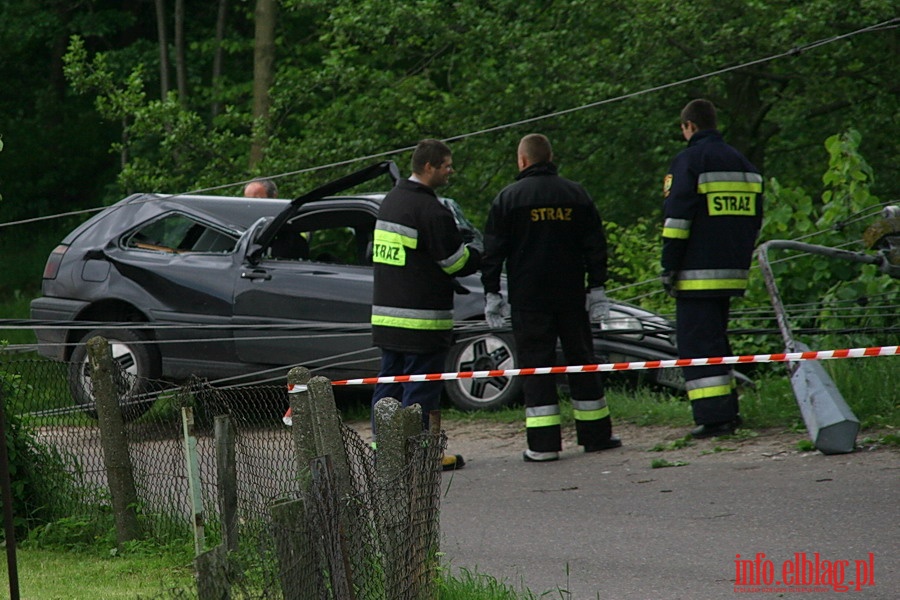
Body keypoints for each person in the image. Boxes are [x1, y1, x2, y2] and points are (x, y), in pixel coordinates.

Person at [481, 133, 621, 462]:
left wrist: (492, 293)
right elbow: (595, 246)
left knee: (536, 366)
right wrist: (597, 286)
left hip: (529, 298)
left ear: (523, 160)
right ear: (550, 157)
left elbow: (492, 252)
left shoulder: (508, 198)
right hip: (571, 294)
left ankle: (543, 446)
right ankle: (596, 436)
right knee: (583, 360)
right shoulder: (575, 194)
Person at [370, 139, 481, 471]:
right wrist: (478, 253)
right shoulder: (431, 210)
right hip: (422, 320)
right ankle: (419, 456)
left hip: (388, 317)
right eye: (446, 165)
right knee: (421, 388)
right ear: (429, 166)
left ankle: (384, 451)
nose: (450, 171)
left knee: (389, 383)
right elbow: (454, 262)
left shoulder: (391, 202)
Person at [660, 99, 764, 438]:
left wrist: (669, 266)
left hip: (696, 274)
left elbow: (677, 221)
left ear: (688, 126)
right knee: (716, 341)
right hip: (732, 270)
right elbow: (755, 219)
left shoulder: (688, 161)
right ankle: (727, 413)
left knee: (697, 345)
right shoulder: (743, 163)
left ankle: (713, 419)